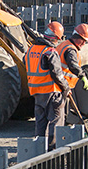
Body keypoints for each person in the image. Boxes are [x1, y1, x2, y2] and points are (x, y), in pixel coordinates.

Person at [24, 21, 71, 149]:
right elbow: (57, 74)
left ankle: (39, 148)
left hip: (36, 92)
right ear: (56, 38)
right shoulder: (49, 52)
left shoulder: (30, 50)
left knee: (40, 122)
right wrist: (66, 87)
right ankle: (52, 149)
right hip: (51, 92)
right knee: (56, 121)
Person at [57, 24, 88, 93]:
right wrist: (83, 77)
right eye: (83, 40)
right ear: (76, 37)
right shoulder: (70, 50)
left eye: (85, 41)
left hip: (59, 83)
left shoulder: (64, 44)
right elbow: (73, 65)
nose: (84, 43)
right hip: (62, 85)